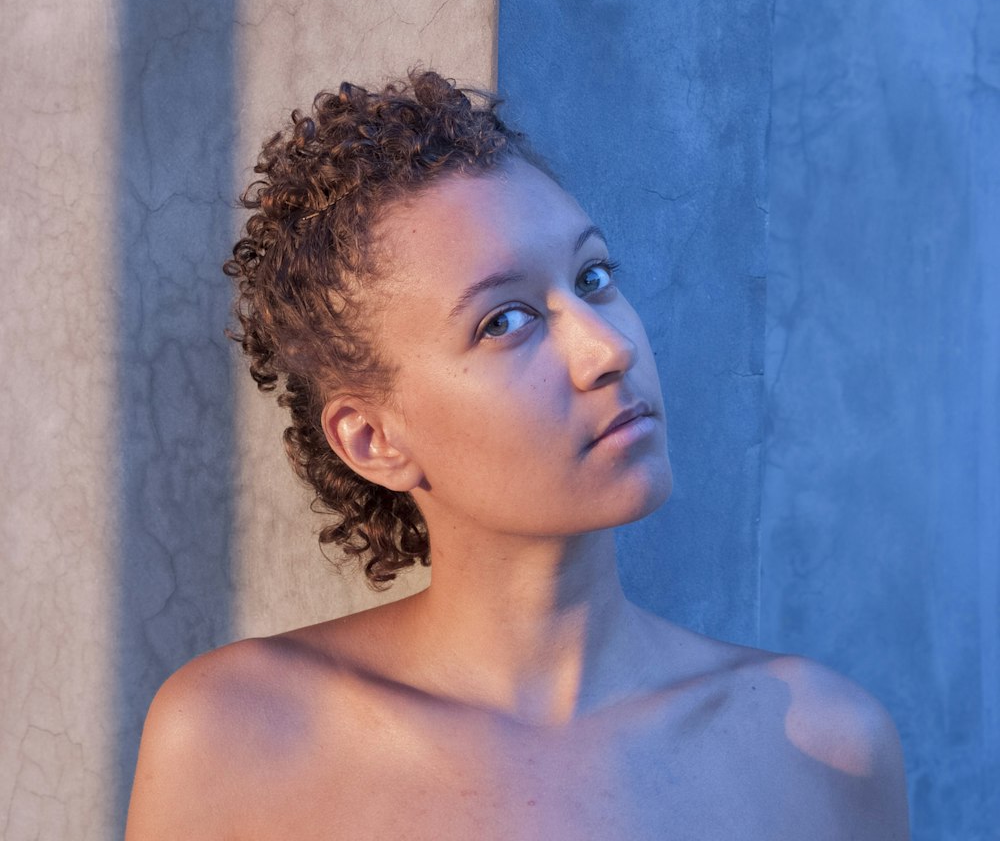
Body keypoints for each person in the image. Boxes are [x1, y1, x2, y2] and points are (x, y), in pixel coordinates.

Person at [125, 70, 910, 839]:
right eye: (505, 321)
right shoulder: (236, 738)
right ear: (374, 440)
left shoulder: (822, 750)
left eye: (594, 276)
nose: (607, 347)